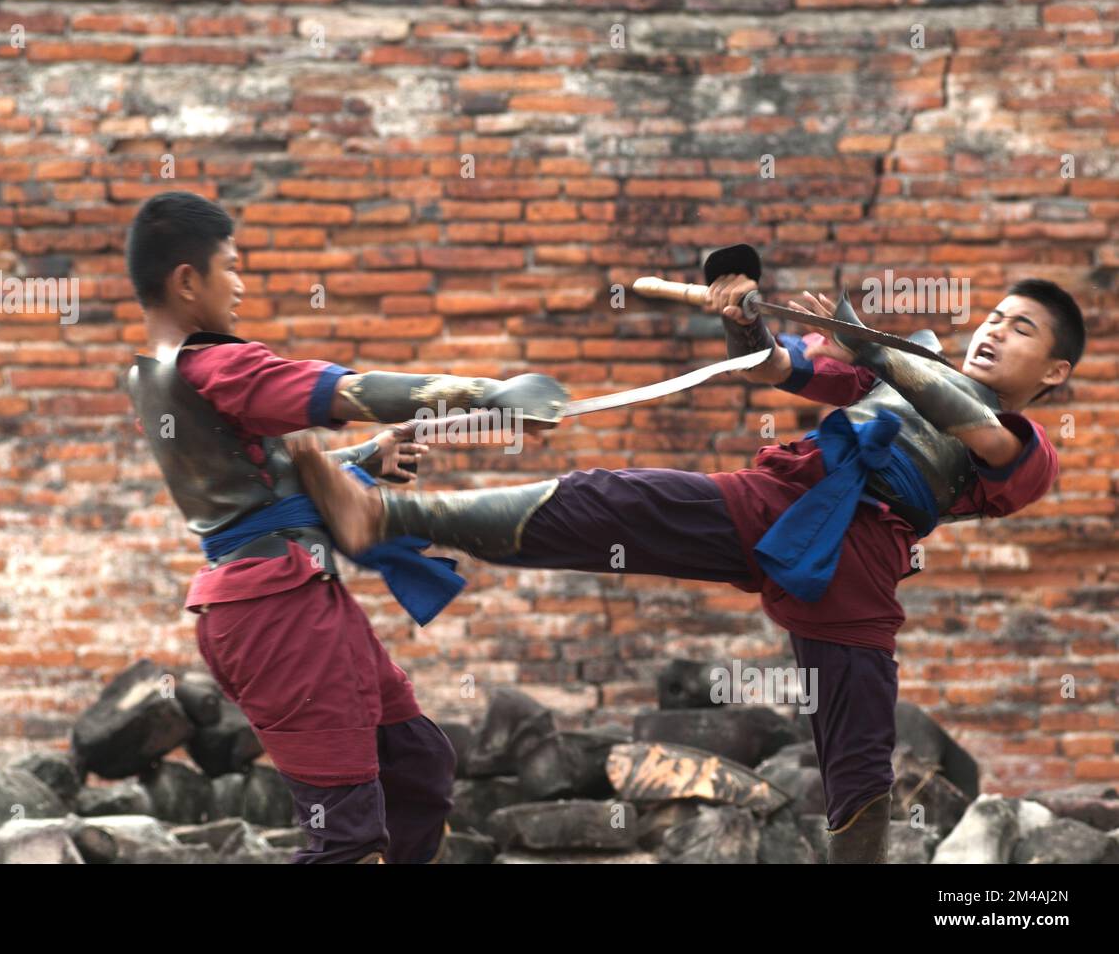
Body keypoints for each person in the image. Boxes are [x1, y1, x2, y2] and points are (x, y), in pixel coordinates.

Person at [289, 257, 1086, 863]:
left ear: (1053, 372)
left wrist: (874, 350)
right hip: (774, 500)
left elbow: (971, 425)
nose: (993, 330)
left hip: (858, 559)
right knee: (607, 500)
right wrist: (743, 317)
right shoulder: (905, 362)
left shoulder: (1031, 449)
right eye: (995, 315)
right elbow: (776, 368)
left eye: (1022, 329)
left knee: (859, 757)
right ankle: (384, 514)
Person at [123, 191, 567, 863]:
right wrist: (487, 393)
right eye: (231, 267)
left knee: (416, 765)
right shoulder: (217, 363)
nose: (239, 285)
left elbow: (264, 481)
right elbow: (342, 389)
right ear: (188, 280)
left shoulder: (157, 375)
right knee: (347, 840)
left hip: (291, 597)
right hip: (276, 615)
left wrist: (367, 456)